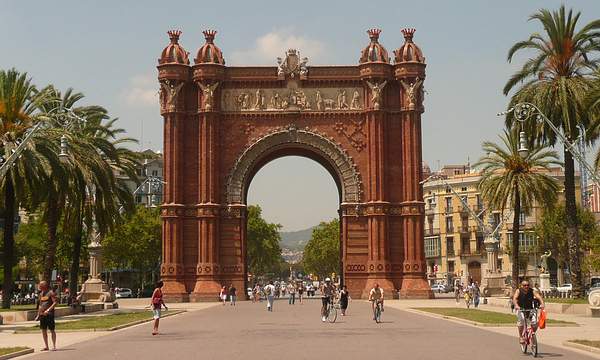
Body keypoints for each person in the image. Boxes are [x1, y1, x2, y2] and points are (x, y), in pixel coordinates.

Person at [513, 280, 545, 344]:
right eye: (524, 285)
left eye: (528, 285)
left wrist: (542, 304)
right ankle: (521, 336)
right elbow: (515, 298)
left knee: (535, 323)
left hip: (530, 308)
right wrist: (516, 306)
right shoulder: (518, 291)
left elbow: (539, 297)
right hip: (521, 309)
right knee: (521, 320)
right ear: (521, 286)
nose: (526, 286)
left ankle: (532, 334)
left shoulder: (532, 291)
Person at [36, 281, 57, 351]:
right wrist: (38, 314)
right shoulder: (41, 294)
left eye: (40, 285)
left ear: (44, 286)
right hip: (42, 315)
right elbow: (40, 305)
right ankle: (46, 346)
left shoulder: (51, 293)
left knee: (52, 330)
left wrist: (48, 310)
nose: (39, 286)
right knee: (43, 330)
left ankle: (54, 346)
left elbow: (55, 302)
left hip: (49, 315)